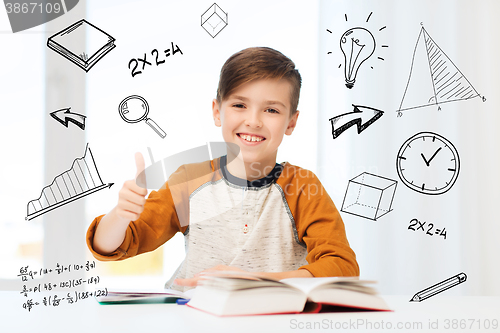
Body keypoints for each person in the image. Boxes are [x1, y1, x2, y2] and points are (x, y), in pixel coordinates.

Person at [86, 47, 359, 291]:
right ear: (218, 112)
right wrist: (121, 216)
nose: (253, 121)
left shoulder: (301, 186)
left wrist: (255, 283)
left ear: (291, 122)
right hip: (191, 316)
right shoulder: (189, 180)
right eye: (239, 105)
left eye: (271, 110)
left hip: (268, 321)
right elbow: (110, 246)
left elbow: (343, 269)